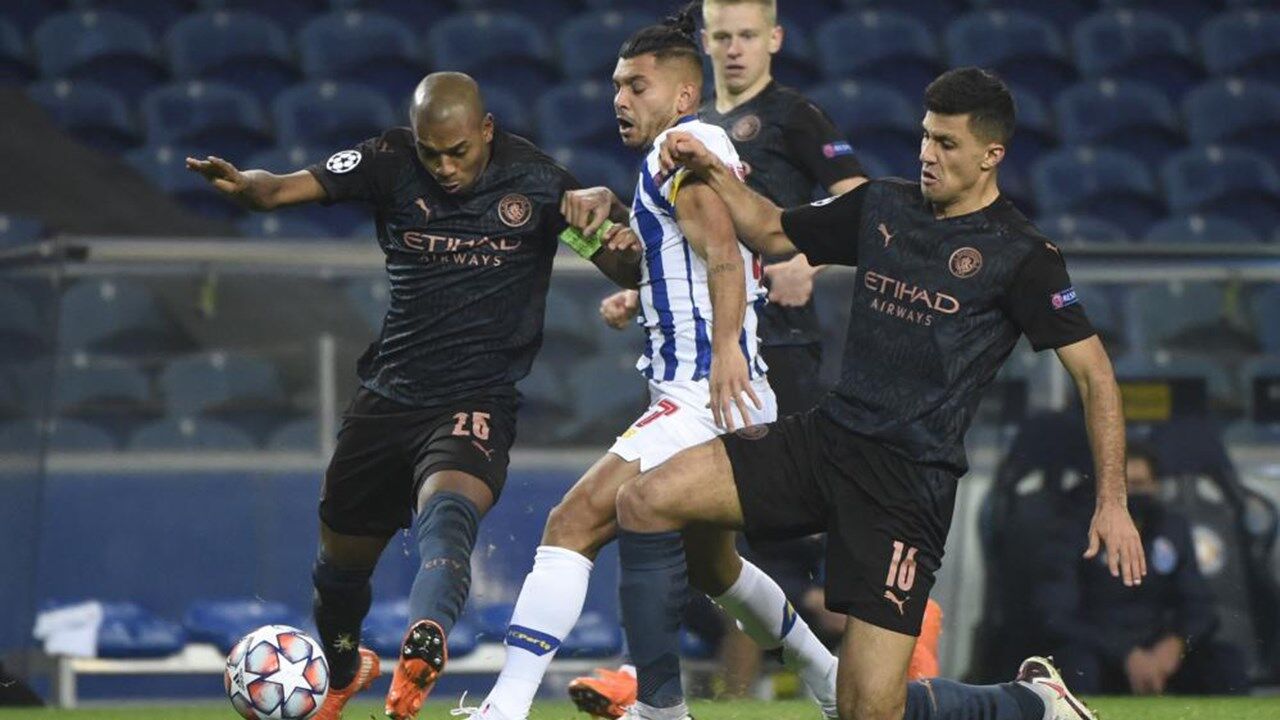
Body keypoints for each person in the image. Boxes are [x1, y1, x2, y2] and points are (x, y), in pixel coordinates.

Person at [610, 67, 1148, 720]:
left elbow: (1095, 376)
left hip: (905, 486)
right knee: (646, 500)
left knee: (868, 710)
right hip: (827, 440)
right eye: (925, 137)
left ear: (991, 155)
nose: (927, 154)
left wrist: (1112, 501)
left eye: (946, 144)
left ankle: (1030, 703)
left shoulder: (1023, 256)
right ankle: (659, 711)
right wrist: (713, 171)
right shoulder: (883, 205)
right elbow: (771, 228)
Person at [187, 72, 639, 720]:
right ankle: (345, 668)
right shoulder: (389, 161)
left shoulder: (540, 184)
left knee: (448, 517)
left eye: (459, 151)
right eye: (433, 153)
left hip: (477, 397)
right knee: (339, 568)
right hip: (389, 395)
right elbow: (282, 188)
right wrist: (245, 186)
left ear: (487, 130)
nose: (445, 167)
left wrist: (619, 223)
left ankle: (424, 639)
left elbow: (626, 265)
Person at [459, 9, 841, 720]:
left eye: (637, 85)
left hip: (702, 395)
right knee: (715, 567)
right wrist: (602, 233)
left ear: (683, 95)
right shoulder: (684, 155)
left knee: (572, 523)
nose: (620, 98)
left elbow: (722, 254)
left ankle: (508, 707)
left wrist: (723, 352)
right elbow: (679, 257)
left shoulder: (680, 150)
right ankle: (827, 676)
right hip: (723, 390)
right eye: (616, 85)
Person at [586, 0, 940, 706]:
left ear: (774, 39)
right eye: (722, 36)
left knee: (792, 523)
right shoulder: (687, 128)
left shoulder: (794, 117)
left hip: (779, 348)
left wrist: (811, 259)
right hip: (701, 357)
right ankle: (699, 683)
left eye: (747, 36)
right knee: (699, 536)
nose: (734, 49)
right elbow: (686, 246)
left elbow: (863, 204)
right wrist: (644, 292)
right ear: (703, 47)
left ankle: (900, 645)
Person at [1041, 445, 1249, 696]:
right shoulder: (1073, 534)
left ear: (1155, 486)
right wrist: (1125, 653)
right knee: (1077, 666)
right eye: (1123, 486)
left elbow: (1200, 606)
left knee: (1224, 663)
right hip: (1100, 650)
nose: (1132, 494)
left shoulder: (1172, 529)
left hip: (1159, 651)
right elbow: (1056, 617)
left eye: (1140, 484)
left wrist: (1176, 644)